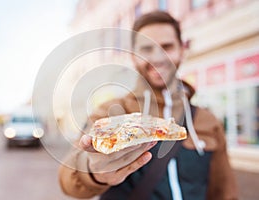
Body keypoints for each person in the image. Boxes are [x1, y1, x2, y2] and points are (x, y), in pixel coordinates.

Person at [58, 10, 238, 200]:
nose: (157, 57)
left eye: (167, 47)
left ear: (182, 51)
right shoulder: (109, 114)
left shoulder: (208, 121)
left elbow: (224, 191)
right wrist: (93, 172)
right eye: (146, 49)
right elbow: (68, 180)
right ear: (133, 56)